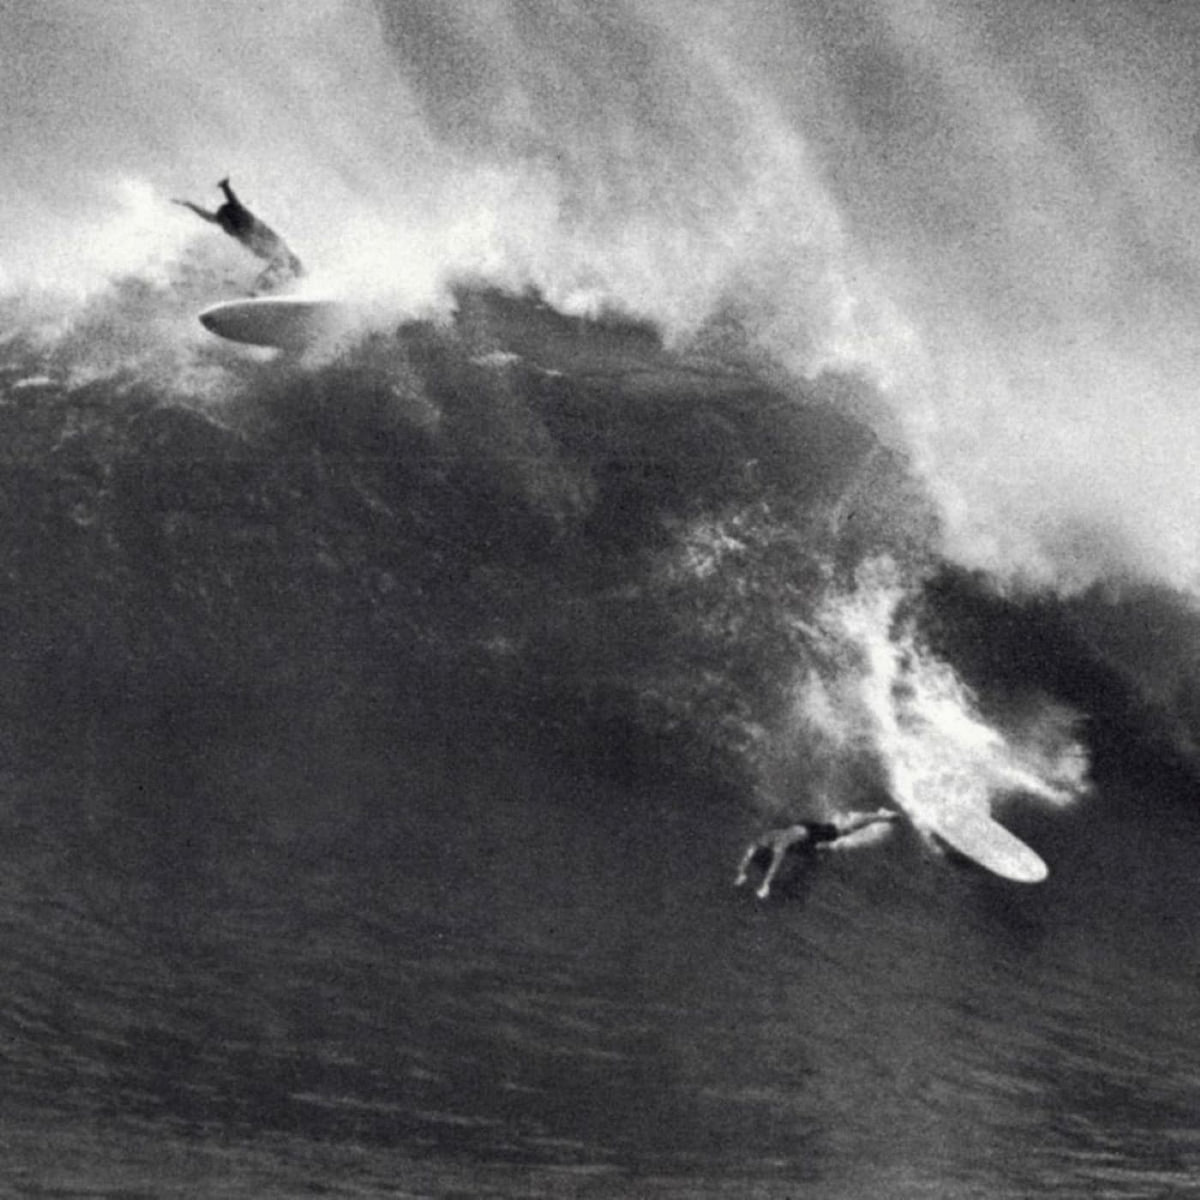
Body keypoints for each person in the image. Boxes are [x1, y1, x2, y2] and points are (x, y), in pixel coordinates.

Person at [734, 808, 900, 899]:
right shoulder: (762, 840)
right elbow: (749, 854)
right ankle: (818, 848)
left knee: (845, 830)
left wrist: (765, 885)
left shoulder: (779, 846)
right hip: (800, 833)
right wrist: (741, 872)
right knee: (808, 851)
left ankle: (882, 816)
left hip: (812, 831)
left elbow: (774, 867)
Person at [173, 177, 304, 291]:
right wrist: (189, 205)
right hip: (271, 255)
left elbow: (233, 201)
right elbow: (208, 216)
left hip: (275, 248)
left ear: (232, 218)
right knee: (274, 274)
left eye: (225, 224)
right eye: (223, 224)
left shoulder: (245, 219)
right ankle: (265, 292)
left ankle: (301, 282)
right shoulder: (227, 223)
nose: (225, 228)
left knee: (283, 266)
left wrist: (225, 187)